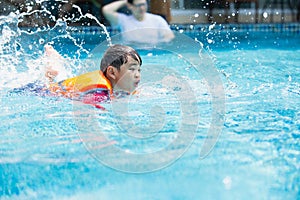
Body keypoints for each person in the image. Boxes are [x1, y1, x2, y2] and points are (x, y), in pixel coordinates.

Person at [14, 44, 142, 109]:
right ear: (112, 73)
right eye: (132, 69)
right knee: (46, 87)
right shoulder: (98, 91)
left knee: (52, 83)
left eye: (139, 70)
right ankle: (50, 72)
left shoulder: (119, 87)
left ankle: (52, 70)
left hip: (61, 87)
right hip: (36, 92)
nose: (137, 75)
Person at [102, 0, 175, 44]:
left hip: (153, 54)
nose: (142, 8)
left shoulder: (157, 20)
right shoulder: (124, 20)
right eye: (138, 5)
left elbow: (170, 37)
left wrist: (153, 44)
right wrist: (125, 1)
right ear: (130, 6)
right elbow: (106, 10)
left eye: (143, 4)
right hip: (131, 55)